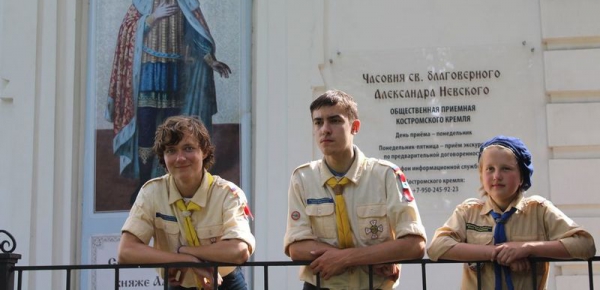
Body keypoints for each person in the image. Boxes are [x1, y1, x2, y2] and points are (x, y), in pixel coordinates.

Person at [106, 0, 231, 201]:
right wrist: (152, 18)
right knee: (146, 129)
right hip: (148, 74)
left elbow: (198, 34)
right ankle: (144, 186)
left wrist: (211, 60)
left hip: (176, 75)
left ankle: (172, 186)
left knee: (174, 132)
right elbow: (127, 33)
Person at [284, 90, 427, 289]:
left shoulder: (386, 175)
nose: (325, 129)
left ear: (355, 127)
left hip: (374, 285)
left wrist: (346, 259)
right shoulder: (303, 178)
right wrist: (372, 256)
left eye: (335, 121)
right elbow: (297, 248)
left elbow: (414, 245)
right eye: (318, 122)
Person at [427, 135, 596, 289]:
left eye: (506, 169)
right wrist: (496, 253)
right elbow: (437, 247)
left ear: (522, 176)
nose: (497, 176)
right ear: (481, 175)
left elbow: (585, 245)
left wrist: (527, 249)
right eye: (490, 169)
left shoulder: (539, 210)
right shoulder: (468, 212)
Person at [118, 115, 254, 290]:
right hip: (178, 284)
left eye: (188, 148)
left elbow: (239, 250)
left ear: (204, 151)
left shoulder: (227, 194)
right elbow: (126, 251)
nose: (180, 158)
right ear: (163, 157)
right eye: (171, 151)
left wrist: (186, 252)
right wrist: (183, 260)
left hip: (224, 283)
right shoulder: (152, 192)